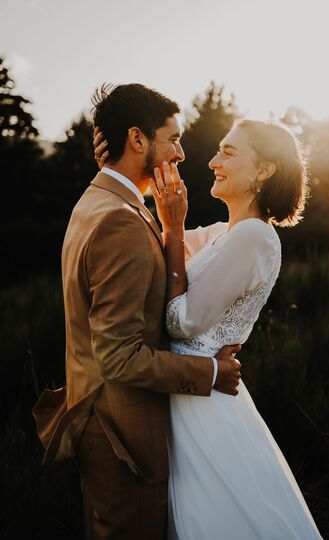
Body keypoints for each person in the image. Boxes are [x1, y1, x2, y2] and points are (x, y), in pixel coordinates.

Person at [32, 83, 241, 540]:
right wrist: (209, 373)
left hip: (104, 426)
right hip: (121, 438)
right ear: (138, 140)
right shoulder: (119, 222)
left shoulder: (100, 200)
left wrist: (172, 227)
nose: (182, 153)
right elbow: (118, 357)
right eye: (173, 138)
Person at [147, 119, 323, 539]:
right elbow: (150, 245)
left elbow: (181, 320)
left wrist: (173, 229)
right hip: (189, 395)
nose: (211, 161)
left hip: (204, 406)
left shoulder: (256, 238)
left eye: (228, 152)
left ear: (263, 171)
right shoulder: (222, 234)